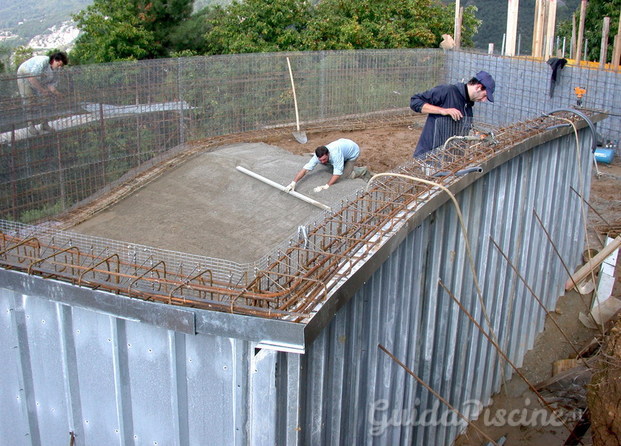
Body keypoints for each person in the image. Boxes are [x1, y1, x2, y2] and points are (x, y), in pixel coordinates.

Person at [410, 70, 495, 158]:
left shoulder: (468, 107)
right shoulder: (447, 91)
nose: (484, 100)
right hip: (428, 158)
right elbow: (415, 102)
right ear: (478, 87)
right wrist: (442, 110)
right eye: (485, 95)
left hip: (449, 161)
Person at [17, 51, 68, 135]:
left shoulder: (56, 71)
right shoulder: (43, 62)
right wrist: (42, 90)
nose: (59, 67)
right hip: (25, 75)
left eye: (61, 66)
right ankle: (31, 125)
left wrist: (59, 94)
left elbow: (51, 86)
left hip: (39, 80)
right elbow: (31, 78)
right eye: (59, 65)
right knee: (29, 100)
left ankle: (44, 124)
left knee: (45, 100)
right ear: (55, 60)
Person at [284, 138, 360, 193]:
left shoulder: (335, 155)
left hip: (353, 151)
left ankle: (362, 171)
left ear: (328, 154)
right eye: (320, 160)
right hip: (343, 144)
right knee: (332, 165)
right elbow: (305, 170)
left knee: (343, 176)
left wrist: (326, 186)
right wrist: (293, 183)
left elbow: (337, 174)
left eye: (324, 159)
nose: (322, 161)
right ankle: (341, 163)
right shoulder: (317, 157)